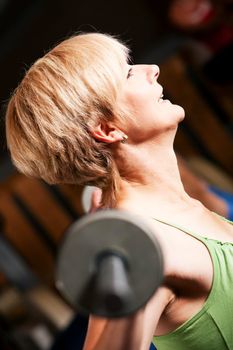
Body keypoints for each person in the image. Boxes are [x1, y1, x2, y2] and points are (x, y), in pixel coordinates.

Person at [5, 32, 233, 349]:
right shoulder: (144, 248)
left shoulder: (173, 213)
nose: (151, 68)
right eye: (128, 72)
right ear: (108, 129)